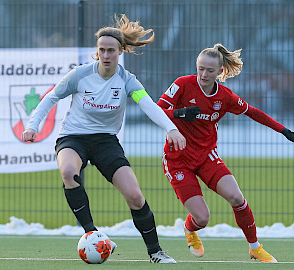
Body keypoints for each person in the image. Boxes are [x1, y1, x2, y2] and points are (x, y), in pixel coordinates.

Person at [22, 14, 185, 264]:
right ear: (96, 52)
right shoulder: (79, 75)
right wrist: (33, 125)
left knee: (135, 196)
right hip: (73, 137)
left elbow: (148, 104)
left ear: (121, 51)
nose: (106, 55)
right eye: (101, 50)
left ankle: (156, 252)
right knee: (68, 172)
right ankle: (91, 232)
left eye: (111, 50)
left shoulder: (127, 80)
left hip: (106, 141)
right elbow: (50, 98)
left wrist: (170, 128)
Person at [157, 43, 294, 263]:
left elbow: (253, 112)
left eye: (209, 70)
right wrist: (178, 114)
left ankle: (255, 247)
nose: (204, 74)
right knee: (202, 218)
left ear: (220, 72)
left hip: (207, 156)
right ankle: (190, 228)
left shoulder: (224, 97)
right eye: (200, 68)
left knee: (237, 197)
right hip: (178, 160)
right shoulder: (182, 85)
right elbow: (156, 110)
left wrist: (285, 131)